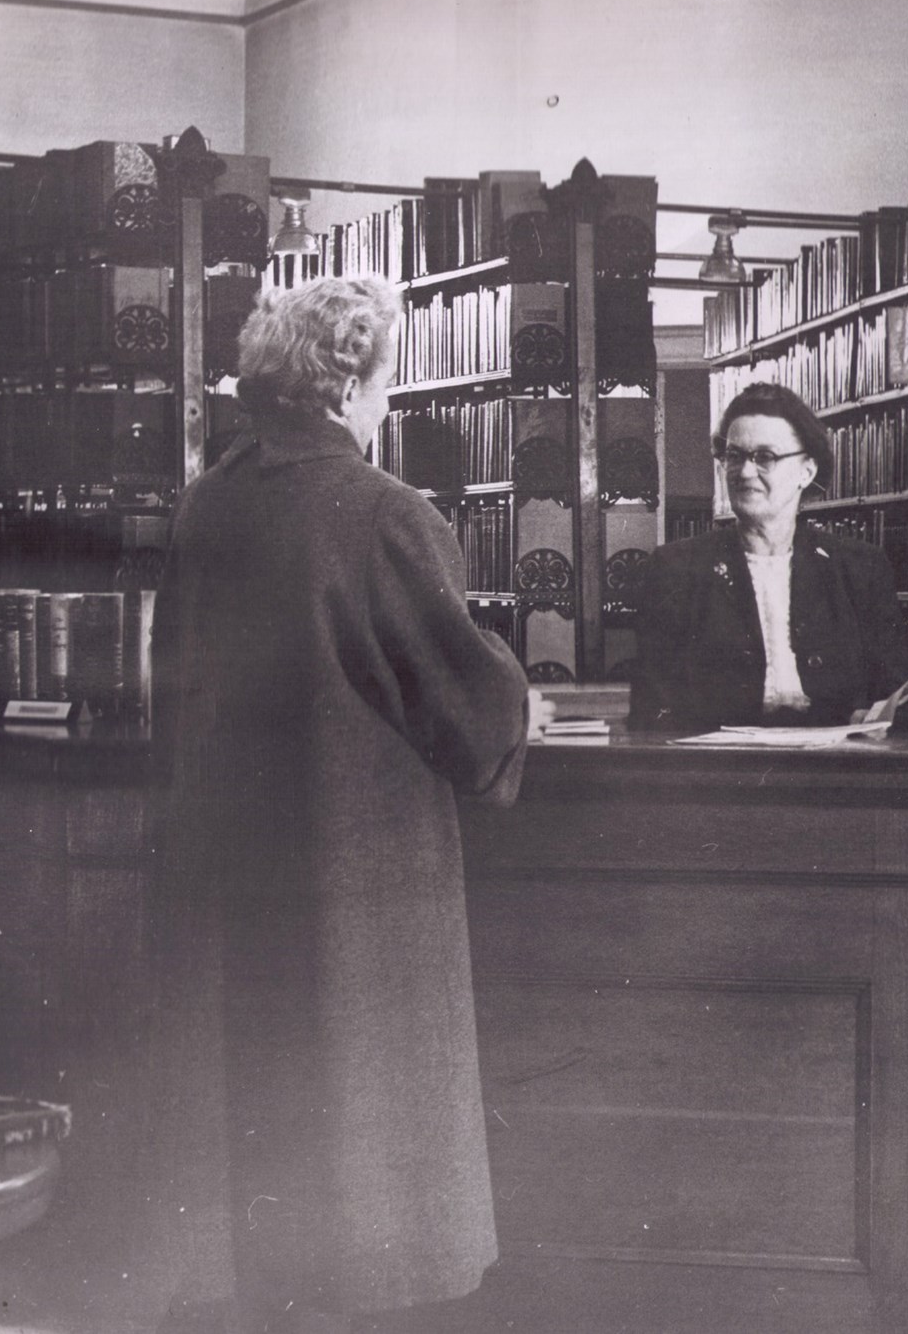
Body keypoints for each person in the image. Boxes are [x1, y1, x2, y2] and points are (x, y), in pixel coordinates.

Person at [149, 276, 550, 1333]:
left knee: (270, 1123)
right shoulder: (384, 512)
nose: (386, 405)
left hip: (237, 868)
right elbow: (461, 696)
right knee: (372, 1139)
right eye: (383, 383)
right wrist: (518, 689)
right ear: (346, 388)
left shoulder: (209, 500)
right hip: (361, 867)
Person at [630, 381, 907, 732]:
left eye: (765, 457)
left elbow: (897, 694)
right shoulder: (676, 570)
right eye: (734, 456)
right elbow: (650, 708)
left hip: (836, 771)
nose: (745, 472)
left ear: (807, 471)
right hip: (721, 774)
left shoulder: (859, 568)